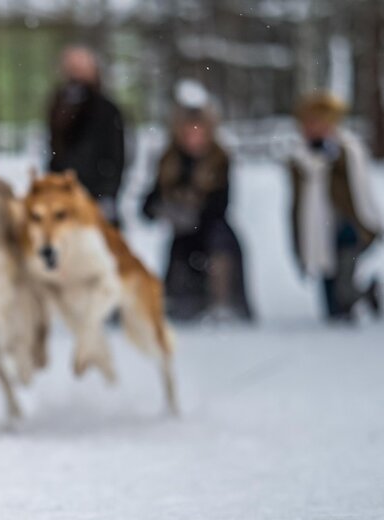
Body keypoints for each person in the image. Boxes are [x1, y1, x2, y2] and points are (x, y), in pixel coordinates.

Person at [141, 103, 253, 322]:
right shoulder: (170, 162)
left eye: (198, 131)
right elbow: (149, 204)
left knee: (220, 248)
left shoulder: (219, 160)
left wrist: (189, 212)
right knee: (180, 299)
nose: (194, 137)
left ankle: (223, 302)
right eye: (189, 131)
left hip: (214, 233)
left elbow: (219, 206)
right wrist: (164, 209)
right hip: (183, 241)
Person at [288, 92, 384, 323]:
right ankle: (358, 297)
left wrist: (329, 157)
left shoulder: (347, 150)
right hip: (318, 228)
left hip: (347, 225)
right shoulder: (299, 158)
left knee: (344, 283)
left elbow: (357, 188)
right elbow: (298, 199)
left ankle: (355, 299)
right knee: (329, 289)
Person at [47, 45, 125, 227]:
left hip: (96, 197)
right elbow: (54, 152)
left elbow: (116, 157)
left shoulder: (108, 110)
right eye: (72, 68)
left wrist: (107, 195)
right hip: (65, 199)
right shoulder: (58, 106)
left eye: (81, 69)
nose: (76, 75)